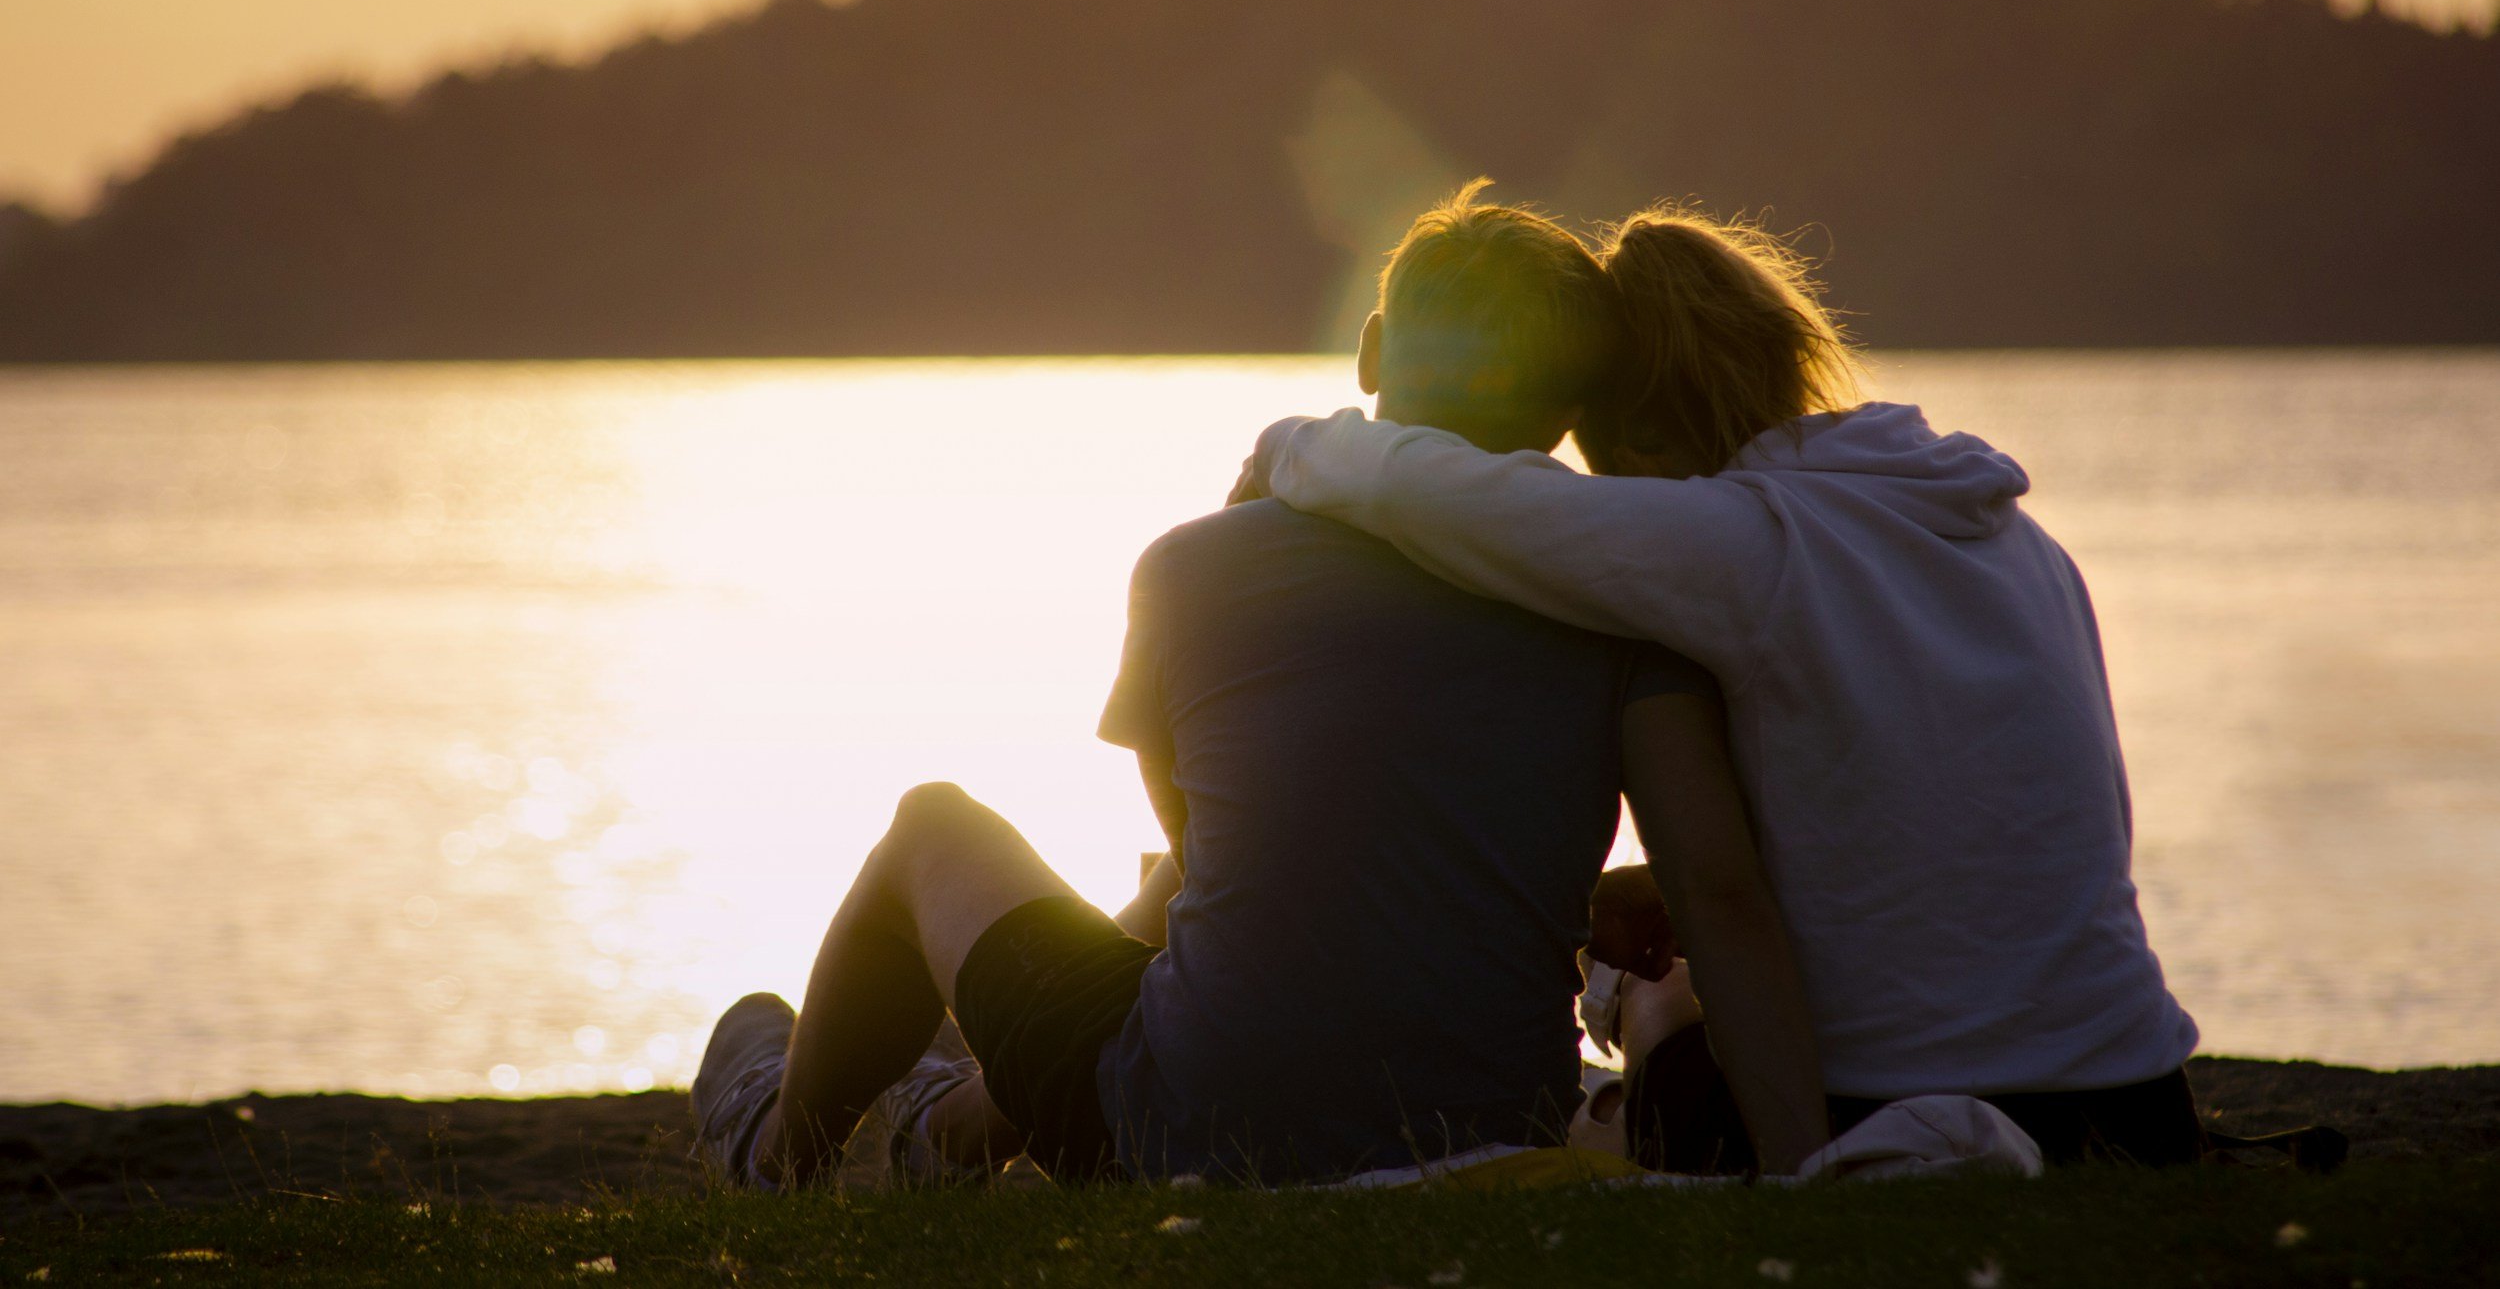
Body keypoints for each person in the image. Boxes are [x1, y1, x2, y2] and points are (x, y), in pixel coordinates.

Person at [691, 186, 1828, 1187]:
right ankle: (946, 1128)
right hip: (1491, 1119)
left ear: (1374, 351)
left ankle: (779, 1151)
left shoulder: (1192, 566)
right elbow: (1715, 889)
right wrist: (1804, 1174)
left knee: (931, 828)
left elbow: (1217, 850)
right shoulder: (1625, 599)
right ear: (1573, 405)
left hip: (1189, 1133)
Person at [1241, 203, 2205, 1169]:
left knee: (1657, 1001)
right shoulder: (2010, 534)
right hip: (2138, 1103)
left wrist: (1289, 445)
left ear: (1635, 430)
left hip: (1894, 1104)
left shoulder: (1742, 540)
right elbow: (1967, 821)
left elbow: (1445, 495)